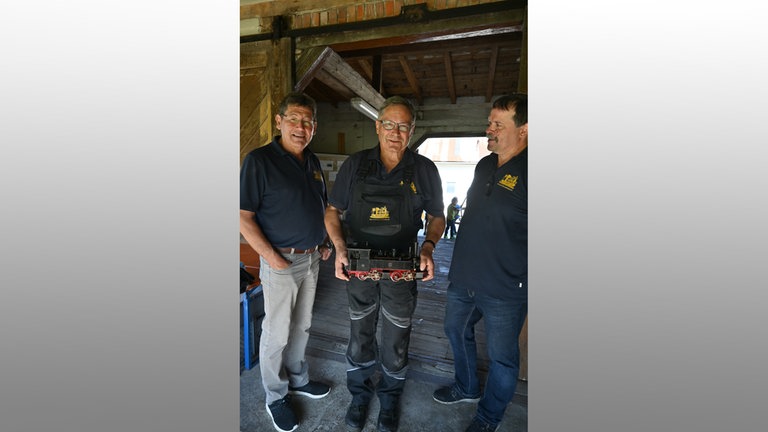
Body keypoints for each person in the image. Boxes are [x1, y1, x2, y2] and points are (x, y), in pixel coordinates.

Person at [324, 96, 446, 432]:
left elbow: (438, 216)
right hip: (360, 265)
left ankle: (390, 398)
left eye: (403, 126)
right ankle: (359, 395)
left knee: (396, 335)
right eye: (389, 124)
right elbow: (333, 211)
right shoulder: (356, 165)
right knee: (360, 331)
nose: (395, 132)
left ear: (412, 131)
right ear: (378, 127)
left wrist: (429, 247)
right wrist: (339, 247)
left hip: (402, 267)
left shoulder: (424, 170)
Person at [432, 94, 528, 432]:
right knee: (455, 329)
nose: (489, 129)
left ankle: (488, 417)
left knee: (503, 358)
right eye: (490, 122)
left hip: (505, 286)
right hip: (465, 278)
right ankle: (468, 386)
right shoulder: (485, 165)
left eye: (498, 125)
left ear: (524, 130)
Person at [239, 92, 333, 432]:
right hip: (281, 261)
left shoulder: (312, 162)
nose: (301, 127)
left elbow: (319, 207)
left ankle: (297, 378)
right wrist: (272, 259)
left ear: (314, 127)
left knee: (302, 325)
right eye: (294, 119)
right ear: (279, 122)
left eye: (307, 121)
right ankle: (275, 395)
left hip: (311, 259)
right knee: (276, 332)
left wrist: (322, 242)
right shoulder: (260, 160)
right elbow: (243, 217)